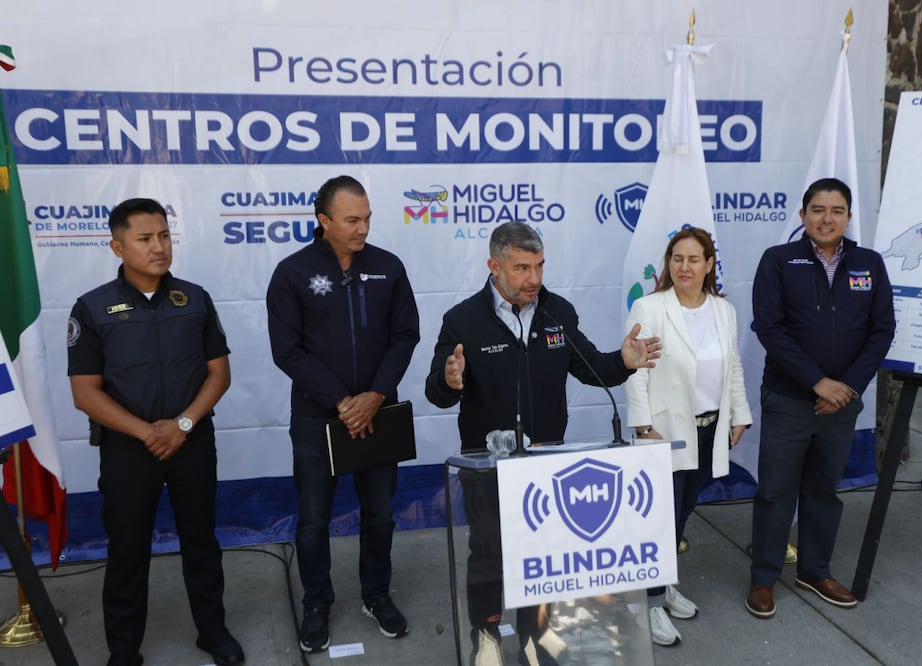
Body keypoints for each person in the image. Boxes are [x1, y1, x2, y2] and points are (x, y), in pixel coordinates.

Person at [425, 222, 661, 665]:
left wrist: (624, 362)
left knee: (542, 553)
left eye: (538, 266)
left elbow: (593, 368)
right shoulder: (463, 320)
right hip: (486, 465)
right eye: (521, 268)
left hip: (547, 463)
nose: (533, 278)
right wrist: (449, 379)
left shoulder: (558, 313)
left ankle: (534, 634)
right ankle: (487, 632)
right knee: (489, 552)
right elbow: (436, 392)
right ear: (494, 267)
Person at [67, 198, 243, 666]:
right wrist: (148, 432)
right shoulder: (92, 308)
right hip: (128, 449)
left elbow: (219, 374)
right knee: (127, 551)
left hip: (191, 442)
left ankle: (213, 631)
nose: (158, 247)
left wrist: (182, 424)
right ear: (117, 246)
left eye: (164, 235)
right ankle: (123, 650)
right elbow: (85, 393)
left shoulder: (195, 298)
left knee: (201, 542)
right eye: (145, 239)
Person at [267, 175, 420, 650]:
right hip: (319, 418)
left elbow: (405, 335)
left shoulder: (388, 267)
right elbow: (287, 351)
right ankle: (317, 602)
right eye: (352, 219)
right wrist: (342, 402)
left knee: (380, 515)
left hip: (379, 412)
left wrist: (375, 395)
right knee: (313, 519)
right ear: (323, 221)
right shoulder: (292, 273)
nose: (363, 228)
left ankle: (376, 594)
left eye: (368, 218)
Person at [746, 177, 895, 619]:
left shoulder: (869, 262)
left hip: (842, 403)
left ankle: (814, 570)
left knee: (823, 490)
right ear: (803, 215)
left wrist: (845, 388)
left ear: (849, 217)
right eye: (817, 209)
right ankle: (763, 578)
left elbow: (881, 330)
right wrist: (817, 383)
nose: (826, 218)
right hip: (790, 398)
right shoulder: (778, 260)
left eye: (836, 211)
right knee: (775, 491)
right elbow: (769, 328)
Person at [624, 226, 753, 646]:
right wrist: (644, 426)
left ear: (709, 264)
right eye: (677, 258)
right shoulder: (649, 306)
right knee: (659, 517)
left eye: (694, 259)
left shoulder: (723, 311)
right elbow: (635, 370)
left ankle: (660, 587)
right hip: (664, 431)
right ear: (668, 263)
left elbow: (732, 366)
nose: (684, 266)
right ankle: (651, 601)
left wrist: (739, 415)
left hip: (709, 429)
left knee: (681, 514)